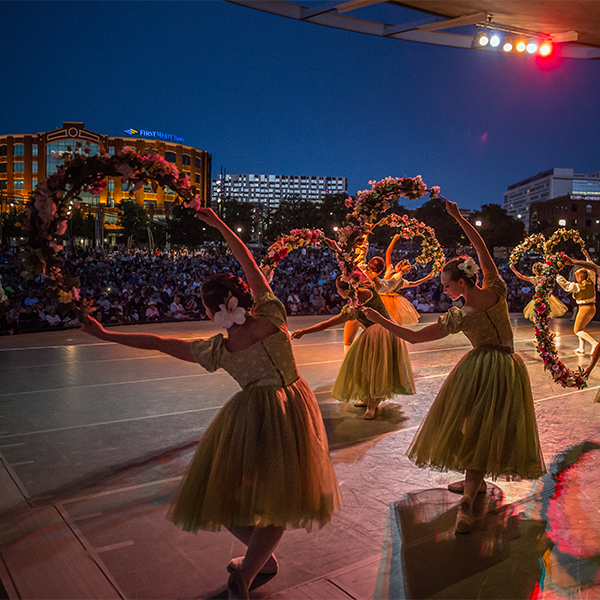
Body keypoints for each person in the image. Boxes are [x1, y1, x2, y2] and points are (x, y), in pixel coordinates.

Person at [81, 208, 341, 599]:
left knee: (223, 494)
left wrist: (107, 335)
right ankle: (255, 565)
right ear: (240, 296)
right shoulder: (272, 313)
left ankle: (254, 565)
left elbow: (160, 343)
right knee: (284, 496)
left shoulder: (220, 348)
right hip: (293, 405)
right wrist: (220, 225)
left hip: (251, 413)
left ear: (212, 309)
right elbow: (248, 261)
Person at [363, 200, 546, 534]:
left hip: (479, 369)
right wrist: (459, 218)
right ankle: (471, 483)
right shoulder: (498, 290)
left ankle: (467, 505)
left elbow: (415, 338)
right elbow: (480, 245)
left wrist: (380, 320)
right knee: (487, 425)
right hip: (508, 365)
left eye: (447, 285)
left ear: (462, 284)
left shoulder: (459, 316)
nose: (444, 290)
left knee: (472, 426)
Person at [291, 275, 415, 420]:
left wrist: (304, 332)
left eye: (338, 290)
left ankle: (372, 404)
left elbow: (328, 324)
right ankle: (369, 397)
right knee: (368, 368)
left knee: (376, 369)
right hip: (383, 330)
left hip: (381, 333)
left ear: (343, 291)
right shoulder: (366, 292)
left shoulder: (358, 302)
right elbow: (329, 323)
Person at [379, 234, 434, 325]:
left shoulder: (402, 281)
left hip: (392, 301)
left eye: (401, 264)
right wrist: (394, 239)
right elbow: (388, 253)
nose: (398, 264)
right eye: (399, 263)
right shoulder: (390, 270)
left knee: (393, 322)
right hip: (381, 297)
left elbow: (415, 283)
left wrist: (427, 277)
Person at [556, 265, 597, 354]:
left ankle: (594, 343)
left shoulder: (578, 286)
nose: (576, 279)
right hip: (592, 308)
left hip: (584, 308)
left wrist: (557, 275)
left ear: (580, 278)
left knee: (577, 330)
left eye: (577, 277)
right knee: (581, 328)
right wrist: (587, 259)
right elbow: (591, 271)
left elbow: (566, 285)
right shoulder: (591, 281)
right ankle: (581, 348)